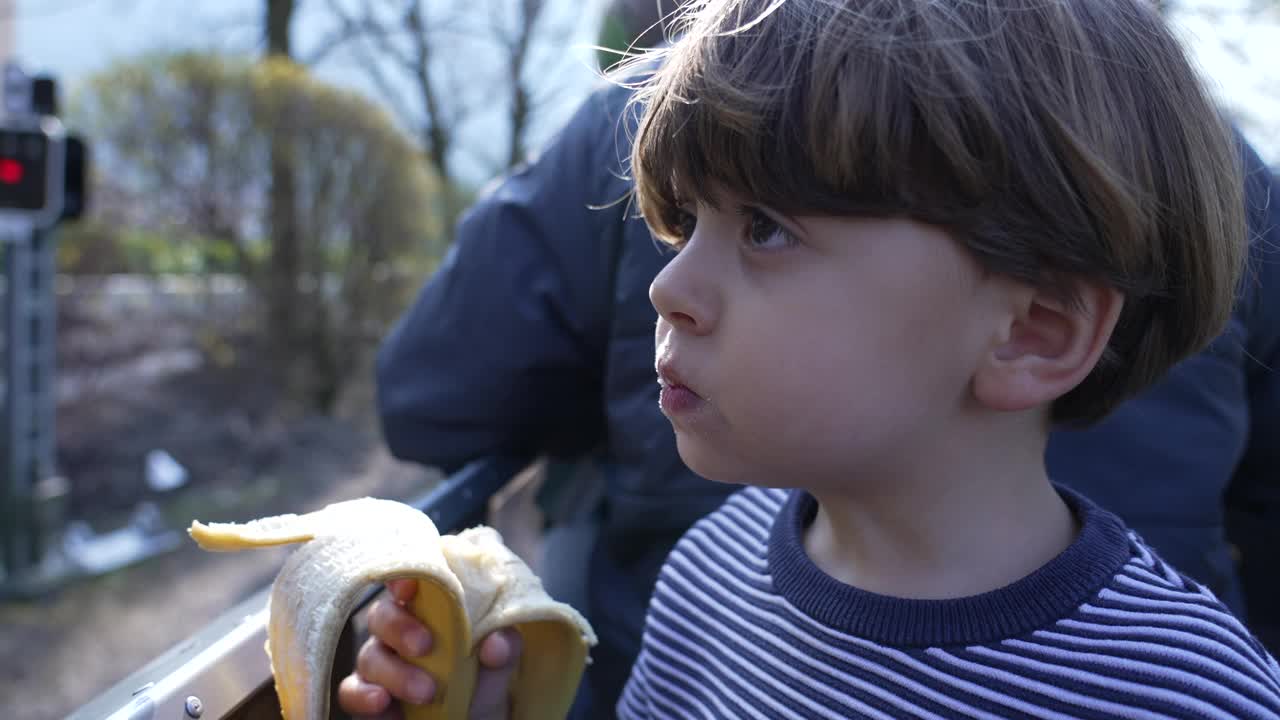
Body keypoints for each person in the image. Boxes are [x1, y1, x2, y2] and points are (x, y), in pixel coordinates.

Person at [343, 0, 1280, 716]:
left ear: (1034, 331)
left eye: (764, 229)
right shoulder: (709, 577)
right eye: (685, 223)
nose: (667, 290)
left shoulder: (1190, 689)